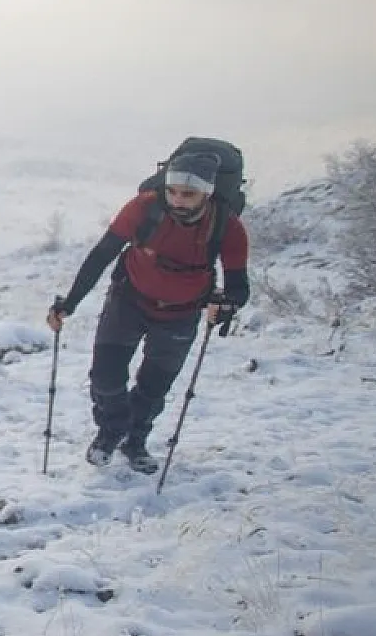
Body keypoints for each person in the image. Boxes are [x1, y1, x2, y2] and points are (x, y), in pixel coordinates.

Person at [46, 149, 250, 473]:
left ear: (207, 193)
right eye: (172, 191)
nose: (177, 200)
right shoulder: (144, 208)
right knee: (105, 378)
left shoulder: (226, 226)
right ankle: (111, 431)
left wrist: (225, 305)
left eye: (188, 194)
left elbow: (239, 286)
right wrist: (69, 304)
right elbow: (102, 255)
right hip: (128, 300)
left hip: (181, 314)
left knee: (153, 389)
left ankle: (135, 440)